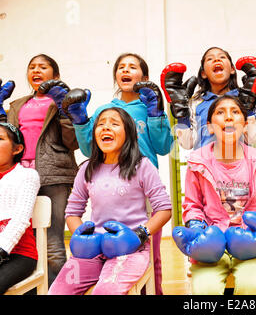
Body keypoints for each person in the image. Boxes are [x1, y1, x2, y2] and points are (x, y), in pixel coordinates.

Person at [61, 52, 173, 294]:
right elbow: (88, 148)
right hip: (107, 182)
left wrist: (155, 113)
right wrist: (81, 121)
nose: (125, 70)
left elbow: (164, 146)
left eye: (132, 67)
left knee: (149, 254)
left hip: (142, 184)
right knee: (112, 256)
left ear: (144, 76)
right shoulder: (106, 110)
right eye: (121, 67)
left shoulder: (148, 107)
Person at [48, 107, 172, 295]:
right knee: (57, 292)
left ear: (129, 133)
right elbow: (72, 212)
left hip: (130, 250)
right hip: (94, 249)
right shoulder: (86, 169)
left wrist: (140, 234)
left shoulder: (142, 165)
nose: (106, 128)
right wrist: (81, 237)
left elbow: (164, 209)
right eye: (101, 124)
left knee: (105, 292)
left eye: (114, 124)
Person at [172, 95, 256, 295]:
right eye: (220, 113)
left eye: (235, 112)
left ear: (246, 125)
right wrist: (197, 228)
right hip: (212, 244)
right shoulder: (198, 162)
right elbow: (192, 206)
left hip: (251, 246)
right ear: (210, 127)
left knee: (251, 286)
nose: (228, 117)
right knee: (205, 290)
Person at [5, 54, 79, 286]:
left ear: (55, 75)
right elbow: (7, 139)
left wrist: (65, 110)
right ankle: (33, 288)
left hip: (54, 175)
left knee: (53, 242)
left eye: (43, 67)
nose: (36, 70)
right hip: (20, 177)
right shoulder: (18, 104)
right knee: (23, 239)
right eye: (32, 67)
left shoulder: (62, 102)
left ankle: (58, 290)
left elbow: (72, 141)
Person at [161, 46, 256, 150]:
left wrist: (248, 107)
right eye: (210, 59)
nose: (216, 59)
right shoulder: (196, 103)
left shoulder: (244, 98)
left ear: (232, 69)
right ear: (203, 73)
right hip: (204, 164)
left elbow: (251, 138)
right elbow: (187, 144)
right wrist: (181, 113)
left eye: (222, 57)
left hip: (239, 163)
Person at [0, 123, 40, 294]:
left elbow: (21, 219)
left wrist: (1, 250)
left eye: (0, 139)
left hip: (19, 254)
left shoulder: (27, 175)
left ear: (17, 149)